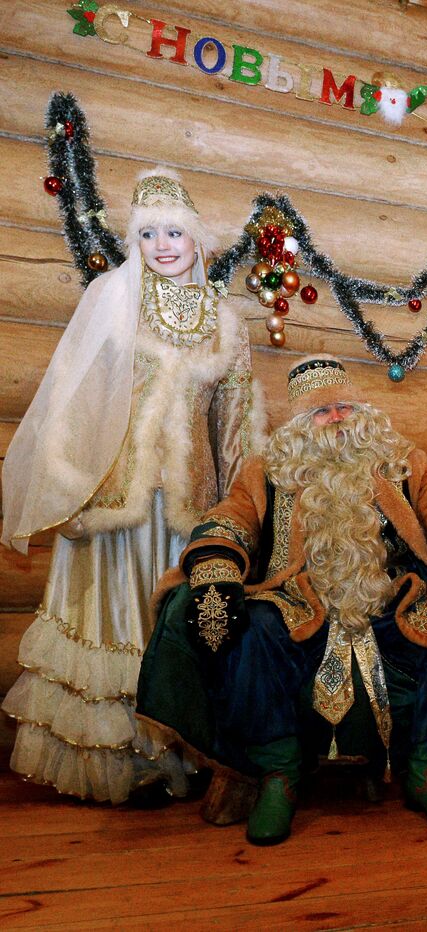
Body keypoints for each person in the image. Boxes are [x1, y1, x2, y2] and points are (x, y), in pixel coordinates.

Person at [135, 355, 427, 845]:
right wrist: (218, 568)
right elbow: (232, 520)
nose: (338, 420)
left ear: (362, 411)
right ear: (301, 424)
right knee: (255, 625)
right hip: (299, 604)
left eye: (345, 408)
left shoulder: (400, 462)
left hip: (391, 601)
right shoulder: (268, 470)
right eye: (322, 414)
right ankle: (279, 774)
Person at [1, 168, 261, 803]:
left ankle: (181, 753)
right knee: (115, 623)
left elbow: (236, 425)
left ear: (198, 241)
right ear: (135, 242)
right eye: (149, 234)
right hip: (115, 499)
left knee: (171, 625)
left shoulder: (227, 323)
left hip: (186, 509)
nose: (164, 245)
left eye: (175, 232)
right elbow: (74, 398)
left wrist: (240, 510)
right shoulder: (112, 298)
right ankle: (122, 763)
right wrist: (69, 480)